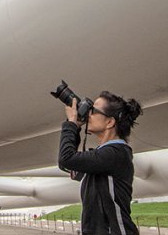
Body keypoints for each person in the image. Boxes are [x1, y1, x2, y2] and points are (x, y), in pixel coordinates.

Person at [57, 91, 144, 235]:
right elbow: (68, 164)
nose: (88, 114)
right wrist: (76, 127)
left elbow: (66, 158)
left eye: (93, 111)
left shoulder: (115, 154)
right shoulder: (106, 154)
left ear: (110, 122)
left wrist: (71, 124)